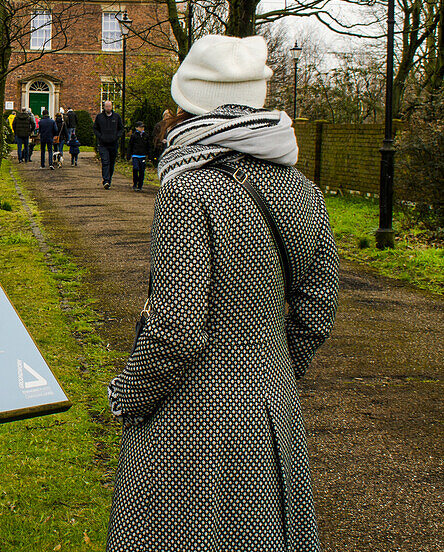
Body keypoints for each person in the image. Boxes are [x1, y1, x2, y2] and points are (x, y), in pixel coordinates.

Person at [105, 34, 340, 552]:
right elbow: (320, 301)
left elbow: (177, 328)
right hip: (274, 411)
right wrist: (271, 370)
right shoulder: (298, 184)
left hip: (194, 419)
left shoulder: (189, 189)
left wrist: (128, 396)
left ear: (187, 100)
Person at [93, 100, 124, 188]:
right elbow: (95, 128)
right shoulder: (100, 117)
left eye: (109, 106)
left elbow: (121, 129)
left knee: (111, 163)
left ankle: (109, 179)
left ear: (112, 107)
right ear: (104, 107)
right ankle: (106, 180)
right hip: (103, 144)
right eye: (106, 106)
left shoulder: (116, 117)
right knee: (105, 162)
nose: (108, 108)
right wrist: (100, 136)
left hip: (113, 144)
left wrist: (116, 136)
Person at [127, 121, 151, 191]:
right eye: (140, 127)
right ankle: (135, 183)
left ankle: (140, 185)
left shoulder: (146, 135)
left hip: (142, 156)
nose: (142, 128)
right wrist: (128, 155)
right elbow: (130, 146)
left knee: (142, 170)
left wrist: (149, 156)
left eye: (143, 127)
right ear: (136, 128)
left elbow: (148, 146)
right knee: (135, 168)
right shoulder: (134, 135)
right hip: (135, 155)